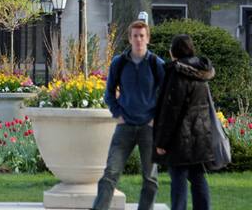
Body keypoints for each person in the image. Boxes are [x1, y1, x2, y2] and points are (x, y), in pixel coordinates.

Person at [92, 20, 166, 210]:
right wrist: (118, 114)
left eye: (142, 36)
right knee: (110, 174)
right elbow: (109, 93)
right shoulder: (119, 63)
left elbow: (168, 96)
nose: (138, 39)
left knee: (150, 179)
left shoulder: (156, 64)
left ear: (147, 38)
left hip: (148, 128)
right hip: (125, 126)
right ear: (130, 38)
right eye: (135, 36)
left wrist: (155, 119)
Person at [154, 35, 214, 210]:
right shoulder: (201, 72)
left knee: (178, 179)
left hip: (179, 138)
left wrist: (161, 142)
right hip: (200, 134)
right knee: (198, 177)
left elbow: (171, 111)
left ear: (174, 51)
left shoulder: (177, 73)